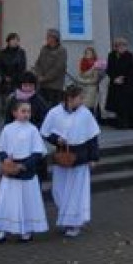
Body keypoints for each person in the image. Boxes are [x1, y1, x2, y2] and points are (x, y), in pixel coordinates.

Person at [42, 84, 100, 237]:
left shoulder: (85, 113)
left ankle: (74, 223)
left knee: (76, 192)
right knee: (59, 190)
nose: (82, 101)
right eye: (80, 98)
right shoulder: (54, 112)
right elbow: (46, 132)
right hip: (62, 156)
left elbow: (92, 137)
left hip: (80, 156)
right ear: (70, 98)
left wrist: (94, 157)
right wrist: (57, 139)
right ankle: (67, 218)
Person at [0, 100, 48, 243]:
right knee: (5, 202)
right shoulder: (7, 129)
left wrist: (24, 165)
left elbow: (38, 152)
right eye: (23, 111)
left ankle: (25, 231)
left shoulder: (33, 130)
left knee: (26, 202)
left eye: (28, 111)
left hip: (27, 171)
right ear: (15, 113)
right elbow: (1, 148)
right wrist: (6, 160)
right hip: (10, 170)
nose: (26, 114)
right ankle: (2, 229)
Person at [105, 37, 133, 128]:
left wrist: (123, 77)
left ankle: (125, 122)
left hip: (125, 83)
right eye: (120, 46)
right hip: (115, 83)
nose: (122, 48)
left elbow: (132, 70)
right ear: (116, 47)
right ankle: (118, 122)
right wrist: (114, 78)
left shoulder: (129, 55)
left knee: (125, 104)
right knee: (116, 104)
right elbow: (109, 69)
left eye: (124, 46)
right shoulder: (111, 55)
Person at [32, 28, 67, 108]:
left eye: (49, 37)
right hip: (42, 85)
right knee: (42, 106)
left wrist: (45, 78)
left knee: (53, 107)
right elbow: (38, 63)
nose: (47, 39)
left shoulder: (61, 51)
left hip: (55, 86)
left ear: (55, 38)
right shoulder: (44, 49)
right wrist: (38, 75)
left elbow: (58, 68)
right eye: (47, 37)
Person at [0, 33, 27, 112]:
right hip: (5, 82)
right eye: (13, 40)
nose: (15, 42)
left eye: (17, 40)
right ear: (8, 41)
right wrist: (4, 76)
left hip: (17, 82)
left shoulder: (21, 53)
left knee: (17, 104)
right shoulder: (3, 53)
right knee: (5, 104)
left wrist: (14, 77)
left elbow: (22, 67)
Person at [76, 46, 103, 115]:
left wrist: (84, 80)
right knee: (80, 105)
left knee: (89, 106)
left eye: (90, 53)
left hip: (91, 88)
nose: (88, 55)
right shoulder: (82, 62)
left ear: (93, 54)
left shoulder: (97, 64)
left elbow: (95, 79)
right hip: (82, 87)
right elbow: (80, 75)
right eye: (86, 53)